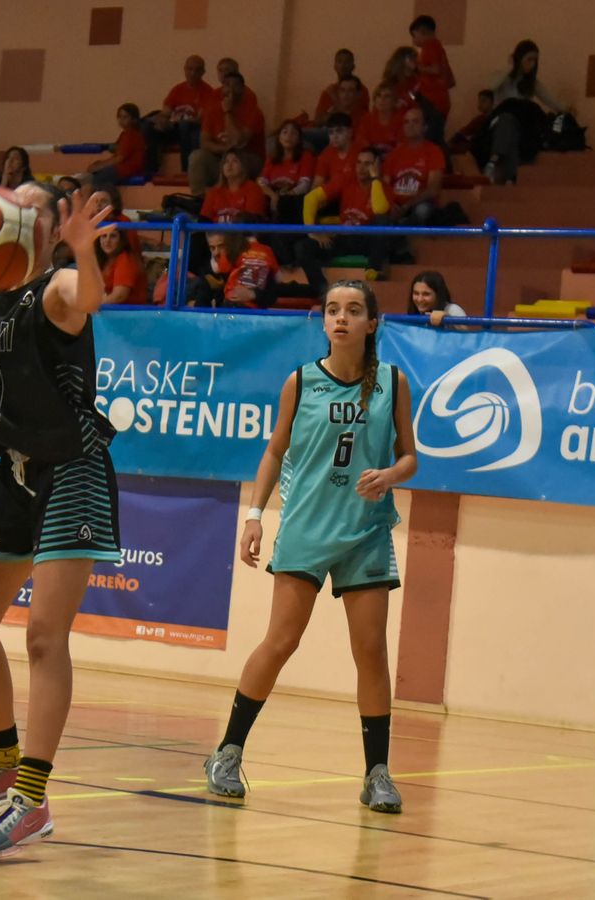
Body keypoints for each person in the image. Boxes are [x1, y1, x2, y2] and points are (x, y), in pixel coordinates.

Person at [0, 187, 117, 856]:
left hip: (70, 465)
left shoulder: (57, 284)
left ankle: (33, 799)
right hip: (12, 471)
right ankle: (4, 760)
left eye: (32, 205)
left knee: (44, 637)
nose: (19, 210)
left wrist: (80, 249)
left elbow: (88, 298)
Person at [203, 279, 417, 815]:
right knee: (280, 643)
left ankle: (377, 773)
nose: (340, 318)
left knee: (370, 652)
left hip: (365, 531)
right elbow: (274, 451)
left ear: (372, 322)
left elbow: (410, 456)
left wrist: (390, 474)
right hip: (305, 528)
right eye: (331, 310)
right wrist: (254, 516)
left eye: (352, 310)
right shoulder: (300, 381)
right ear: (323, 322)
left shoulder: (393, 382)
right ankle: (227, 753)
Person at [481, 40, 567, 184]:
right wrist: (511, 67)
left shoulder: (532, 83)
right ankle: (505, 173)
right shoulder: (504, 78)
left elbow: (553, 103)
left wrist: (567, 109)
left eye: (535, 61)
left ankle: (497, 166)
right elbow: (489, 87)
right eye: (528, 59)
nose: (532, 64)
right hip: (499, 121)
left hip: (520, 126)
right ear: (519, 58)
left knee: (514, 129)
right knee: (507, 120)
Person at [297, 149, 392, 276]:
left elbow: (380, 210)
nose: (361, 168)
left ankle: (373, 270)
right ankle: (321, 289)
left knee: (382, 221)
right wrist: (312, 232)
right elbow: (310, 198)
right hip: (344, 236)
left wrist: (375, 178)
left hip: (368, 240)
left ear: (377, 166)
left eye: (368, 164)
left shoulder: (385, 188)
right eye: (359, 163)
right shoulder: (346, 179)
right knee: (302, 247)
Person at [188, 72, 264, 195]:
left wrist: (228, 112)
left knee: (234, 161)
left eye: (235, 85)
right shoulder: (212, 110)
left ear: (243, 89)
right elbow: (204, 143)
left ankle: (232, 199)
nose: (231, 89)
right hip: (221, 158)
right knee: (197, 157)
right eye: (227, 85)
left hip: (247, 159)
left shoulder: (254, 111)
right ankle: (199, 200)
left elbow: (237, 142)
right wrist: (225, 149)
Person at [149, 55, 215, 172]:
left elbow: (200, 120)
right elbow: (166, 112)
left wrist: (177, 122)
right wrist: (161, 121)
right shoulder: (177, 89)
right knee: (148, 126)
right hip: (175, 128)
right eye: (190, 69)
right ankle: (151, 170)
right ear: (185, 70)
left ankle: (186, 170)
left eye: (197, 69)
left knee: (184, 126)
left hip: (192, 129)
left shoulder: (208, 92)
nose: (193, 73)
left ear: (203, 72)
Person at [383, 108, 445, 225]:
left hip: (420, 204)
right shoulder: (394, 154)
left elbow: (433, 190)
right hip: (396, 205)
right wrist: (392, 205)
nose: (410, 125)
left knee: (423, 211)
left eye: (415, 121)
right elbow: (385, 185)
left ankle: (402, 226)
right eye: (406, 122)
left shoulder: (434, 151)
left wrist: (407, 205)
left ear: (425, 127)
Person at [259, 121, 316, 222]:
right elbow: (262, 182)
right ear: (279, 137)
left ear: (299, 139)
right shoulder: (272, 158)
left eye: (293, 133)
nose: (288, 136)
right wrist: (273, 196)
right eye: (285, 132)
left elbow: (305, 185)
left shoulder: (306, 156)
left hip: (294, 198)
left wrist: (285, 196)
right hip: (273, 196)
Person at [85, 104, 147, 189]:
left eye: (125, 117)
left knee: (100, 179)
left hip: (128, 169)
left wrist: (100, 166)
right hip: (121, 167)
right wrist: (100, 163)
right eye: (120, 117)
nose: (121, 120)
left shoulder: (131, 135)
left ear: (134, 119)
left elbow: (119, 158)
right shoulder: (124, 134)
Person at [201, 151, 267, 223]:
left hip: (242, 233)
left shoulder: (254, 190)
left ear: (243, 166)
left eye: (235, 161)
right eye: (226, 162)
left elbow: (253, 222)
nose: (229, 165)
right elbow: (203, 221)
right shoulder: (213, 192)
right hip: (215, 232)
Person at [96, 226, 147, 304]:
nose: (107, 241)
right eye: (104, 236)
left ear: (121, 240)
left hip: (128, 312)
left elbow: (119, 296)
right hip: (111, 310)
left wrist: (92, 304)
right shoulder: (106, 259)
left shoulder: (125, 259)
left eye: (113, 236)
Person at [358, 85, 402, 156]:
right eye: (379, 96)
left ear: (394, 101)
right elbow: (362, 144)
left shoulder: (401, 120)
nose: (382, 99)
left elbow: (401, 147)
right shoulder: (367, 119)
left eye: (387, 96)